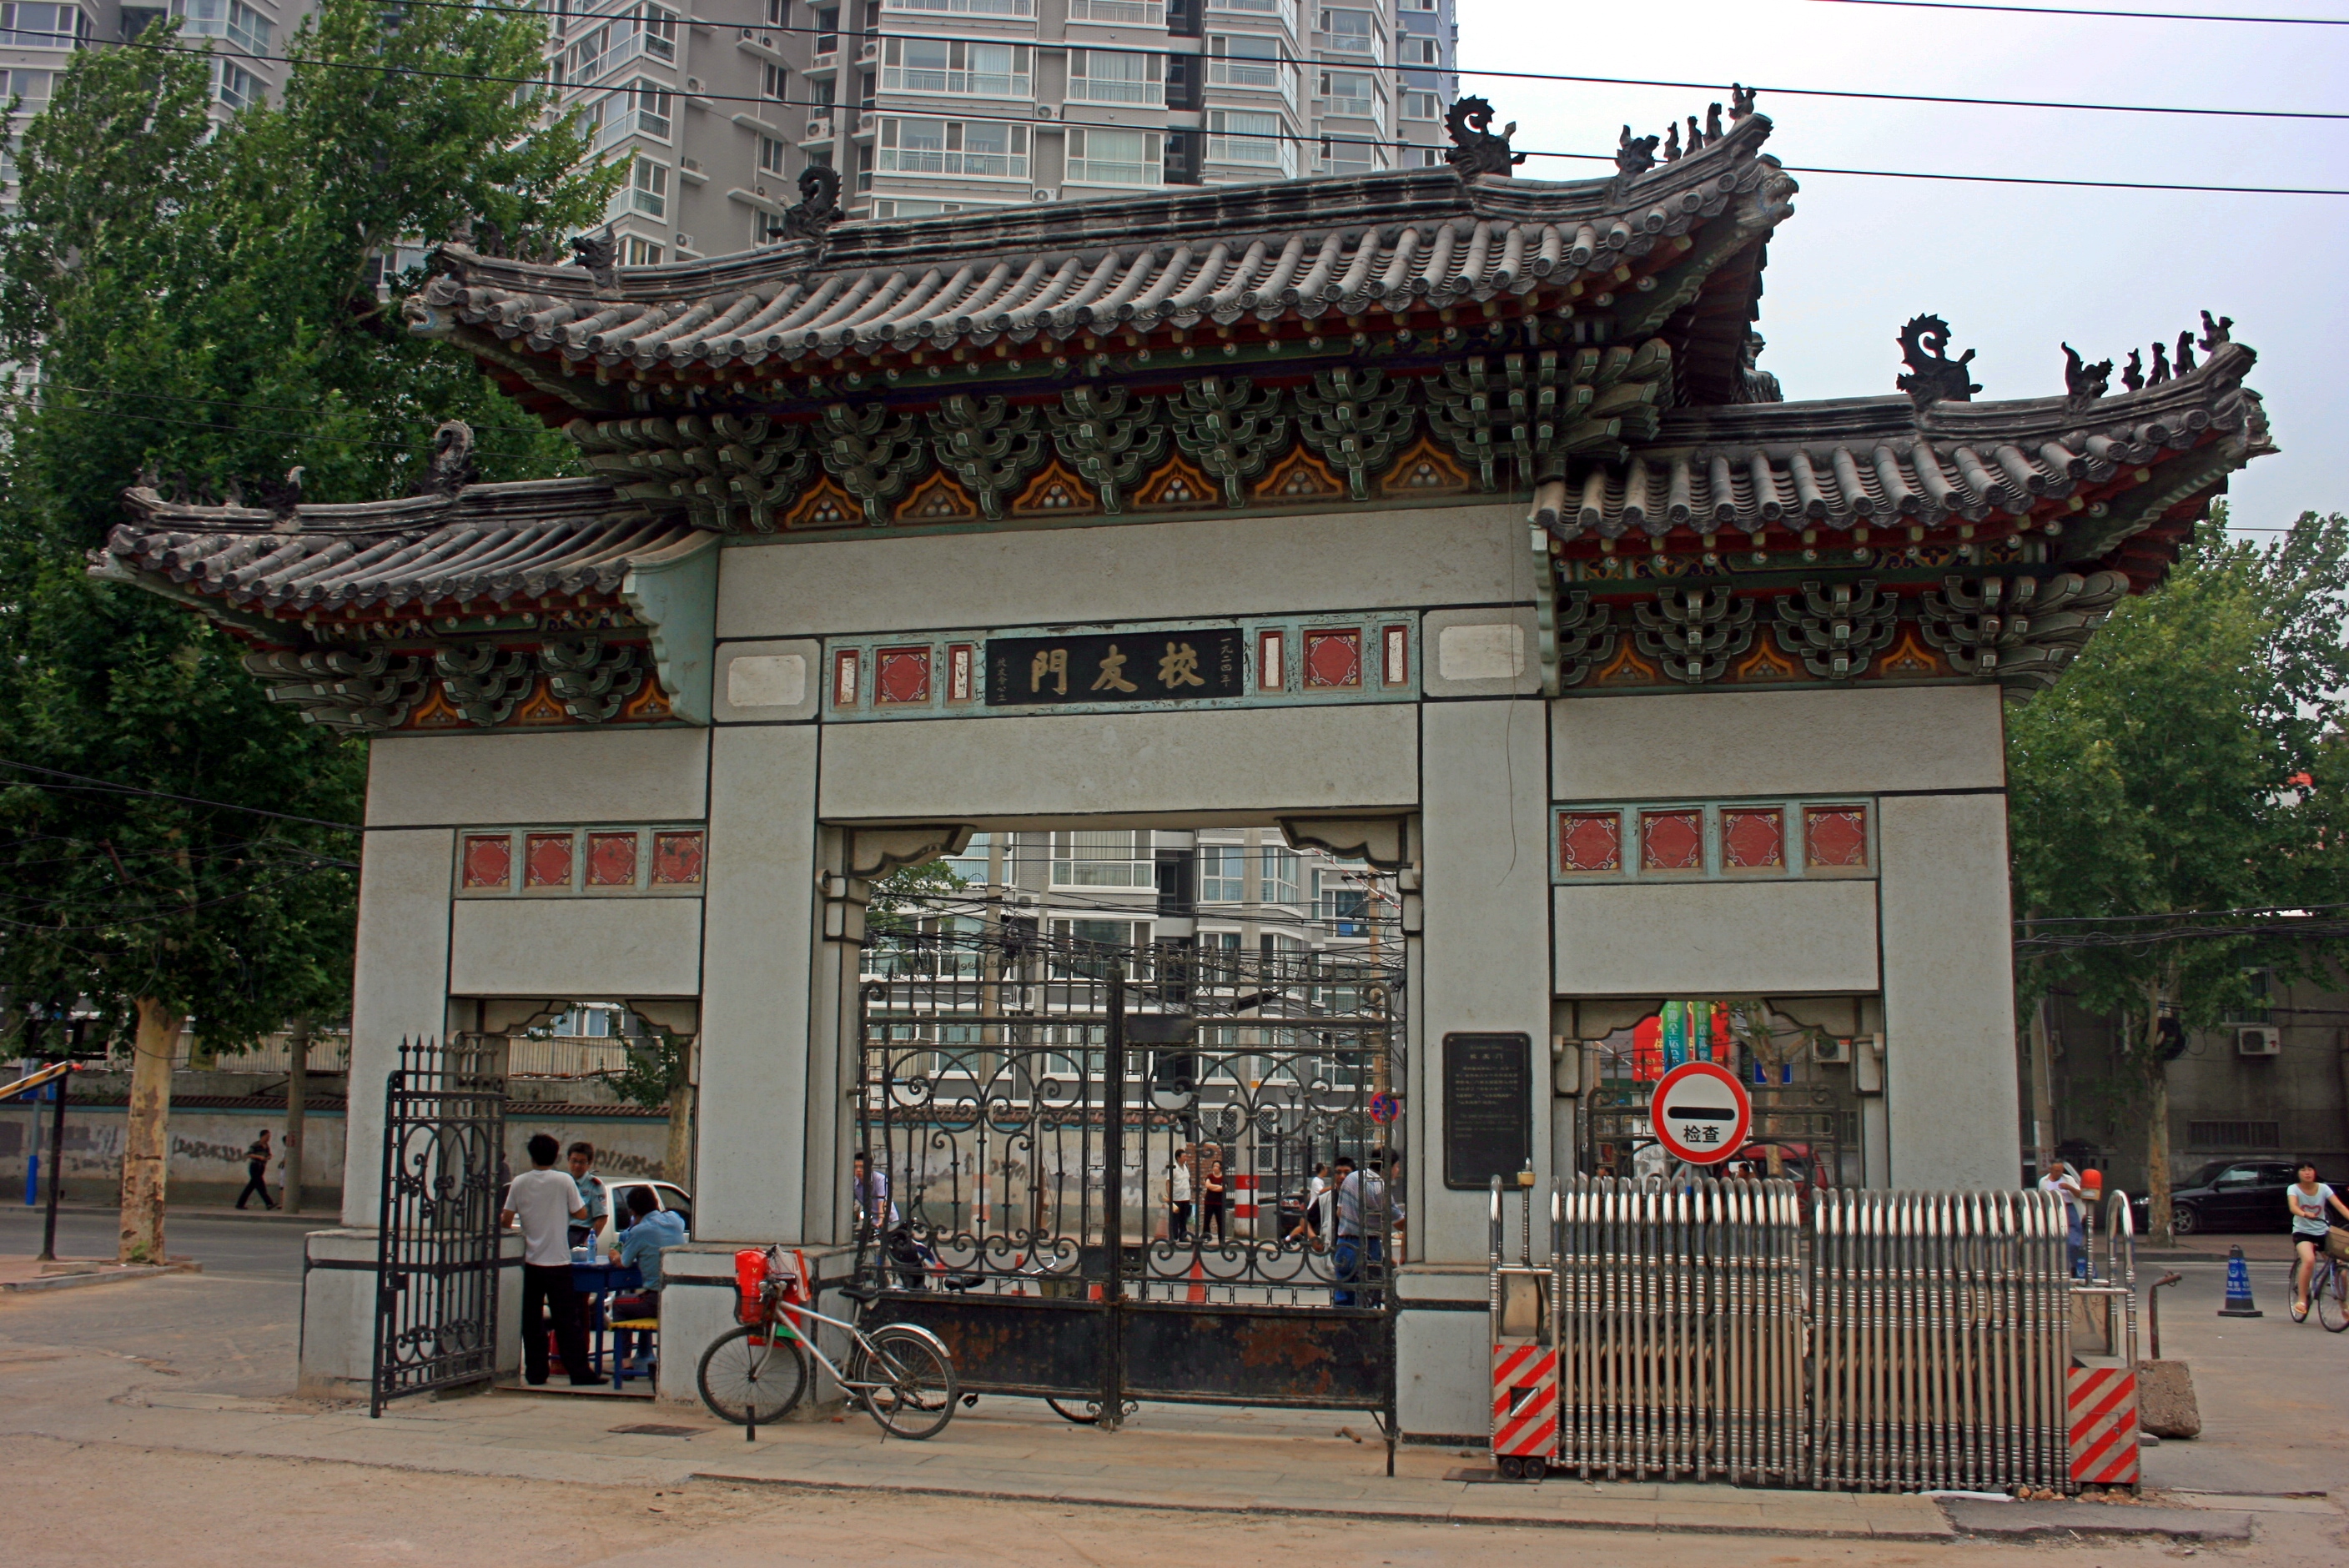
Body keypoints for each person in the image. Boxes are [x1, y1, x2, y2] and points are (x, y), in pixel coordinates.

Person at [503, 1133, 599, 1386]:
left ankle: (536, 1373)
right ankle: (578, 1372)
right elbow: (580, 1211)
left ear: (531, 1155)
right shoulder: (564, 1181)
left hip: (530, 1262)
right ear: (557, 1156)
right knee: (567, 1320)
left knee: (532, 1321)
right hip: (558, 1260)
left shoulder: (519, 1182)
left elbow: (506, 1219)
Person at [606, 1186, 689, 1373]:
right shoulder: (675, 1220)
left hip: (655, 1301)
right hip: (678, 1296)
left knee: (620, 1305)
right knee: (637, 1299)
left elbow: (623, 1263)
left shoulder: (639, 1231)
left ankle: (624, 1363)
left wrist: (614, 1254)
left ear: (633, 1211)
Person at [1331, 1153, 1401, 1307]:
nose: (1398, 1170)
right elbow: (1400, 1222)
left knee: (1343, 1297)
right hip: (1368, 1246)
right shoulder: (1379, 1188)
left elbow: (1339, 1212)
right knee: (1369, 1299)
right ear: (1388, 1168)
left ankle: (1342, 1327)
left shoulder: (1352, 1178)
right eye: (1397, 1166)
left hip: (1344, 1244)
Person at [2286, 1159, 2349, 1321]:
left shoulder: (2323, 1188)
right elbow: (2293, 1207)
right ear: (2298, 1174)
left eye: (2310, 1169)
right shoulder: (2293, 1189)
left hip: (2323, 1232)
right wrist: (2304, 1214)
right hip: (2303, 1233)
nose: (2307, 1173)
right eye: (2303, 1170)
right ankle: (2301, 1299)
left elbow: (2340, 1207)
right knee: (2309, 1260)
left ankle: (2345, 1307)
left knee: (2341, 1269)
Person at [2039, 1159, 2087, 1279]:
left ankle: (2073, 1266)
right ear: (2050, 1170)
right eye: (2056, 1171)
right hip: (2053, 1210)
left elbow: (2080, 1194)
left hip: (2069, 1209)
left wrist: (2069, 1188)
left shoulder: (2068, 1179)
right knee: (2054, 1242)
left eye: (2061, 1171)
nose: (2059, 1173)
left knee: (2073, 1242)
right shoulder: (2044, 1182)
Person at [566, 1141, 606, 1249]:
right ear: (568, 1159)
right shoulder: (564, 1182)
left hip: (582, 1234)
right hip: (563, 1233)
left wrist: (587, 1243)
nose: (577, 1166)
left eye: (582, 1162)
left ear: (590, 1162)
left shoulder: (595, 1185)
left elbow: (602, 1217)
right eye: (574, 1161)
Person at [1285, 1162, 1330, 1247]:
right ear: (1322, 1170)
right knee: (1304, 1227)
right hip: (1314, 1208)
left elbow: (1312, 1194)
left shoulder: (1319, 1181)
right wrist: (1333, 1186)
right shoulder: (1317, 1180)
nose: (1327, 1170)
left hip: (1317, 1207)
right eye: (1326, 1169)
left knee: (1306, 1227)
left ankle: (1290, 1239)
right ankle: (1288, 1239)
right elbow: (1320, 1192)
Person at [236, 1129, 278, 1210]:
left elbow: (269, 1154)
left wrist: (268, 1157)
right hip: (255, 1166)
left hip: (262, 1167)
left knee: (251, 1186)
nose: (268, 1138)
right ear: (263, 1136)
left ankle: (240, 1204)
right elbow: (249, 1154)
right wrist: (259, 1157)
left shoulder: (266, 1146)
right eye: (267, 1136)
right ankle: (269, 1203)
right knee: (260, 1185)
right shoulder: (256, 1145)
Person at [1200, 1143, 1227, 1245]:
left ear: (1220, 1168)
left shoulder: (1223, 1177)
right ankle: (1206, 1237)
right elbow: (1208, 1185)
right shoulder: (1210, 1176)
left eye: (1217, 1166)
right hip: (1209, 1201)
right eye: (1214, 1166)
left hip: (1219, 1203)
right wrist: (1216, 1186)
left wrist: (1214, 1187)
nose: (1215, 1168)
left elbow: (1223, 1188)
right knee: (1207, 1220)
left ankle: (1222, 1240)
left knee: (1220, 1221)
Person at [1167, 1147, 1194, 1244]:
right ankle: (1174, 1236)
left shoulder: (1186, 1167)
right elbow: (1168, 1182)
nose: (1186, 1158)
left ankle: (1183, 1235)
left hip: (1186, 1197)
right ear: (1178, 1158)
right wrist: (1169, 1195)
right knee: (1175, 1218)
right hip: (1176, 1197)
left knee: (1183, 1218)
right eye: (1184, 1156)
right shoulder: (1174, 1168)